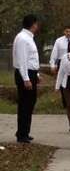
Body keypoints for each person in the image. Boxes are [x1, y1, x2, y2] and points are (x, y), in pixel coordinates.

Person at [13, 14, 40, 143]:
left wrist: (37, 74)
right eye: (36, 24)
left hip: (31, 73)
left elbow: (31, 58)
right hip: (25, 73)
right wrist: (26, 78)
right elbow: (22, 60)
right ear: (33, 24)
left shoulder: (28, 38)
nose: (37, 26)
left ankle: (24, 131)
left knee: (30, 103)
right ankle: (21, 134)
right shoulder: (23, 38)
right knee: (25, 104)